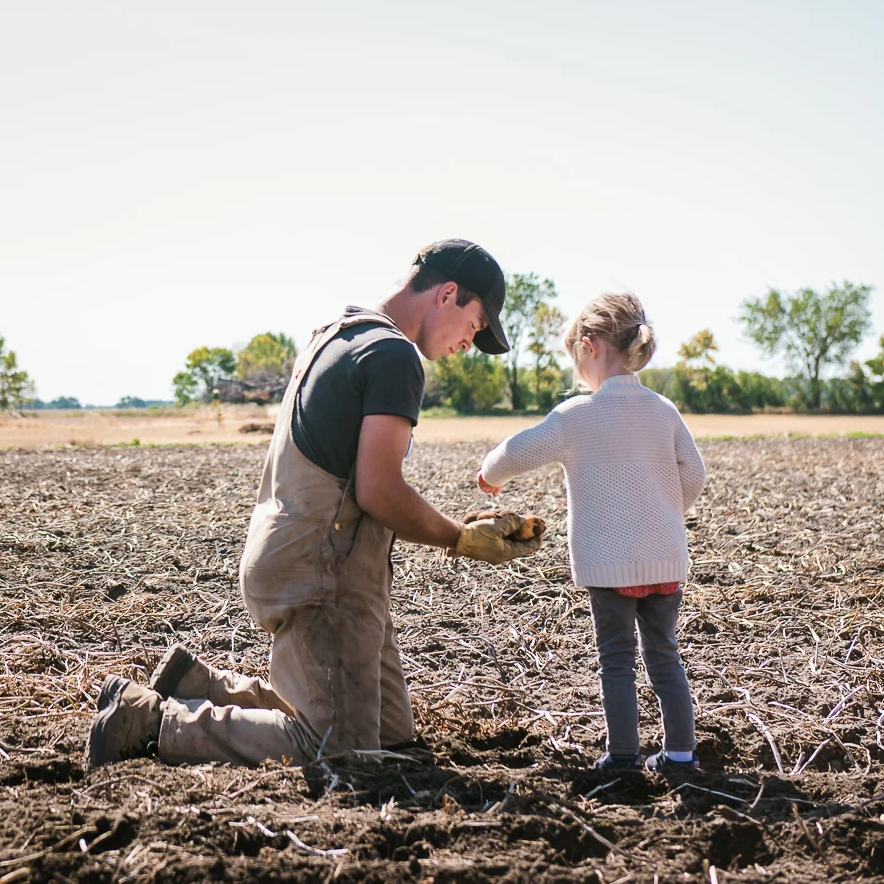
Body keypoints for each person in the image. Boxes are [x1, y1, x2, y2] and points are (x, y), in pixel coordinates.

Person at [88, 240, 545, 771]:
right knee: (339, 752)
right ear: (448, 294)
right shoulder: (394, 356)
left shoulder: (335, 334)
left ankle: (194, 683)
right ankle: (147, 720)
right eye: (477, 322)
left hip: (325, 571)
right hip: (323, 579)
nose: (470, 341)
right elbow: (378, 489)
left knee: (394, 744)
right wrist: (459, 539)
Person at [476, 292, 706, 775]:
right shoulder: (663, 409)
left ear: (590, 346)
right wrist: (665, 510)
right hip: (665, 559)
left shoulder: (576, 416)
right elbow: (694, 474)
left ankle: (623, 757)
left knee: (618, 661)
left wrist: (490, 476)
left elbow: (515, 452)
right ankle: (681, 757)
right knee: (665, 656)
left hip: (608, 565)